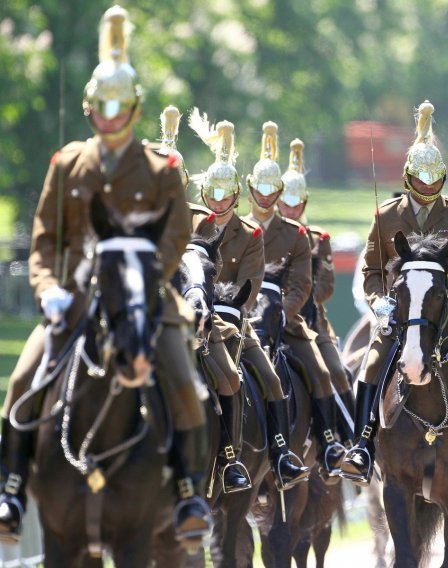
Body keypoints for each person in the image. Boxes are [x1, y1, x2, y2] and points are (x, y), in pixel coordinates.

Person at [0, 6, 211, 542]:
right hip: (74, 300)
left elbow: (177, 234)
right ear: (91, 108)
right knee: (23, 381)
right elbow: (45, 241)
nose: (111, 115)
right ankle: (12, 489)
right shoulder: (67, 164)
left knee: (185, 384)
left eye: (121, 105)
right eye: (101, 105)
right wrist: (47, 291)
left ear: (135, 108)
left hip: (145, 298)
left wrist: (145, 276)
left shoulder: (162, 170)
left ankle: (189, 494)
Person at [339, 100, 448, 486]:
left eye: (436, 180)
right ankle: (362, 446)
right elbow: (372, 270)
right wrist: (379, 303)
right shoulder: (386, 216)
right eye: (422, 180)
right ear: (409, 177)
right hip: (397, 312)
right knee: (370, 366)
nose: (429, 187)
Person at [186, 111, 310, 492]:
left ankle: (269, 456)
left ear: (237, 196)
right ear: (203, 194)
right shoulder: (191, 224)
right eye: (212, 194)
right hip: (187, 316)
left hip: (229, 319)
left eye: (225, 195)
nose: (219, 202)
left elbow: (251, 285)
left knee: (270, 380)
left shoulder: (251, 235)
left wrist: (226, 310)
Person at [242, 129, 347, 481]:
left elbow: (308, 286)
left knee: (325, 369)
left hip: (291, 320)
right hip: (240, 317)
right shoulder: (237, 229)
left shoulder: (301, 237)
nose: (281, 203)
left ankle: (333, 442)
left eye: (287, 199)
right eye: (269, 193)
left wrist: (282, 314)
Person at [276, 153, 356, 449]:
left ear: (304, 204)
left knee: (336, 371)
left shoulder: (317, 239)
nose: (291, 209)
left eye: (296, 204)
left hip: (311, 323)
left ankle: (347, 440)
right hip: (268, 319)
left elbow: (325, 289)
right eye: (285, 203)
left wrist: (299, 288)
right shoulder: (262, 237)